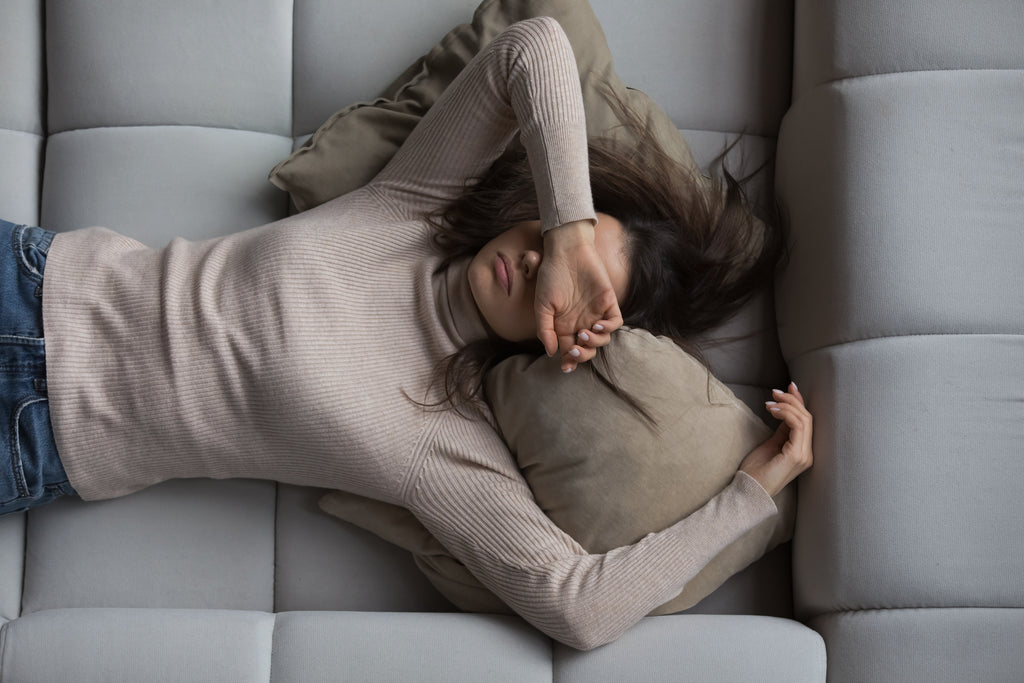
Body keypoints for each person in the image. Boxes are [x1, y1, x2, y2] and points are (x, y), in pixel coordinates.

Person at [0, 18, 812, 650]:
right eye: (560, 243)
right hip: (36, 279)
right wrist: (571, 233)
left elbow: (582, 608)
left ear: (579, 345)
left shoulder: (443, 444)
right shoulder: (411, 209)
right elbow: (535, 47)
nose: (537, 263)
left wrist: (745, 497)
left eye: (572, 292)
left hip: (37, 435)